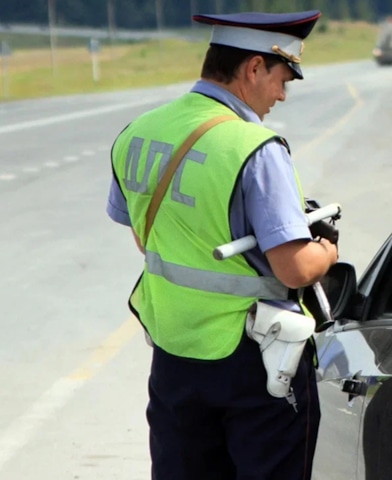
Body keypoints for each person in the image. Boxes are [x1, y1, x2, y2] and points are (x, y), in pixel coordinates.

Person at [105, 9, 338, 480]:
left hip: (174, 354)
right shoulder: (255, 147)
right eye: (282, 79)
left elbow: (145, 238)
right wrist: (328, 249)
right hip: (254, 361)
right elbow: (294, 268)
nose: (281, 95)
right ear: (254, 68)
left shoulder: (139, 130)